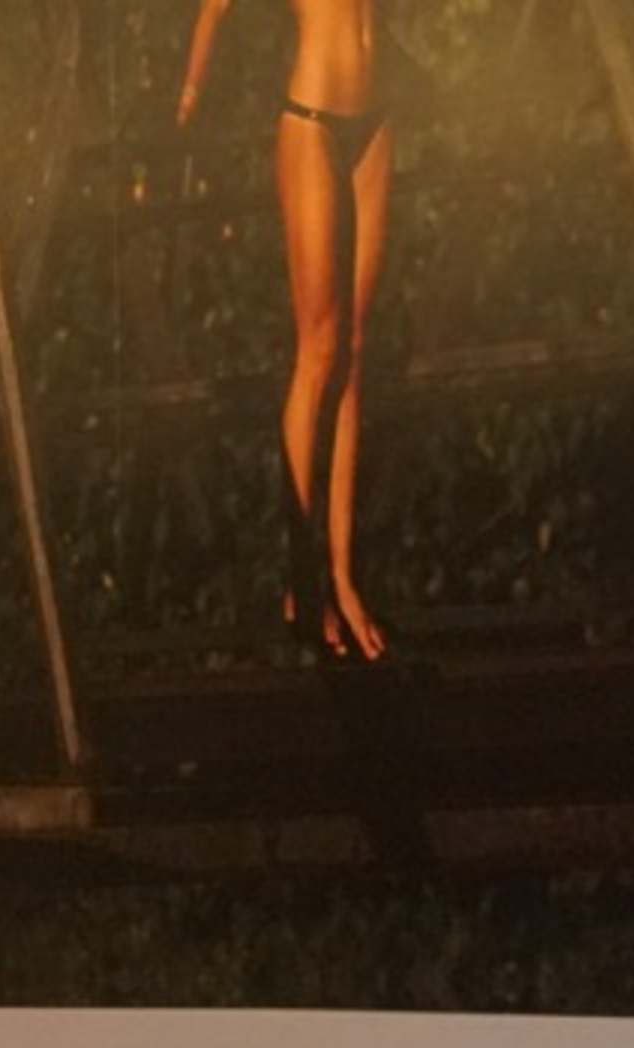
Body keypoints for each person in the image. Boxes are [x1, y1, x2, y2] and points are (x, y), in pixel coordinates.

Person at [178, 0, 396, 662]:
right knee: (320, 347)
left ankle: (343, 578)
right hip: (312, 119)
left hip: (377, 119)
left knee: (354, 351)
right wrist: (190, 94)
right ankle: (302, 579)